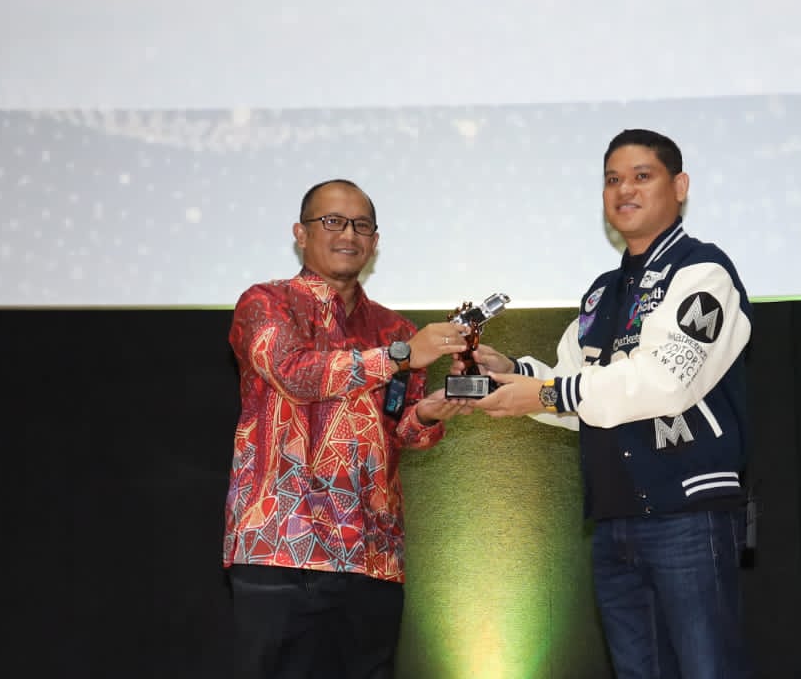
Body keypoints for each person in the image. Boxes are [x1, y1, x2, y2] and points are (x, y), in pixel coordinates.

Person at [471, 129, 755, 679]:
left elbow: (667, 380)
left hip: (688, 513)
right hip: (614, 519)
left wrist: (549, 391)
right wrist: (514, 374)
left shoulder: (703, 272)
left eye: (642, 176)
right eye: (612, 180)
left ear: (680, 187)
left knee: (709, 669)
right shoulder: (603, 291)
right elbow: (575, 386)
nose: (625, 190)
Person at [223, 178, 475, 679]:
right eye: (332, 221)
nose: (348, 234)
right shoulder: (266, 303)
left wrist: (433, 411)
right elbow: (296, 374)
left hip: (373, 555)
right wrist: (400, 356)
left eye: (361, 225)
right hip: (282, 546)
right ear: (301, 233)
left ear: (375, 241)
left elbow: (401, 429)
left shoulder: (395, 328)